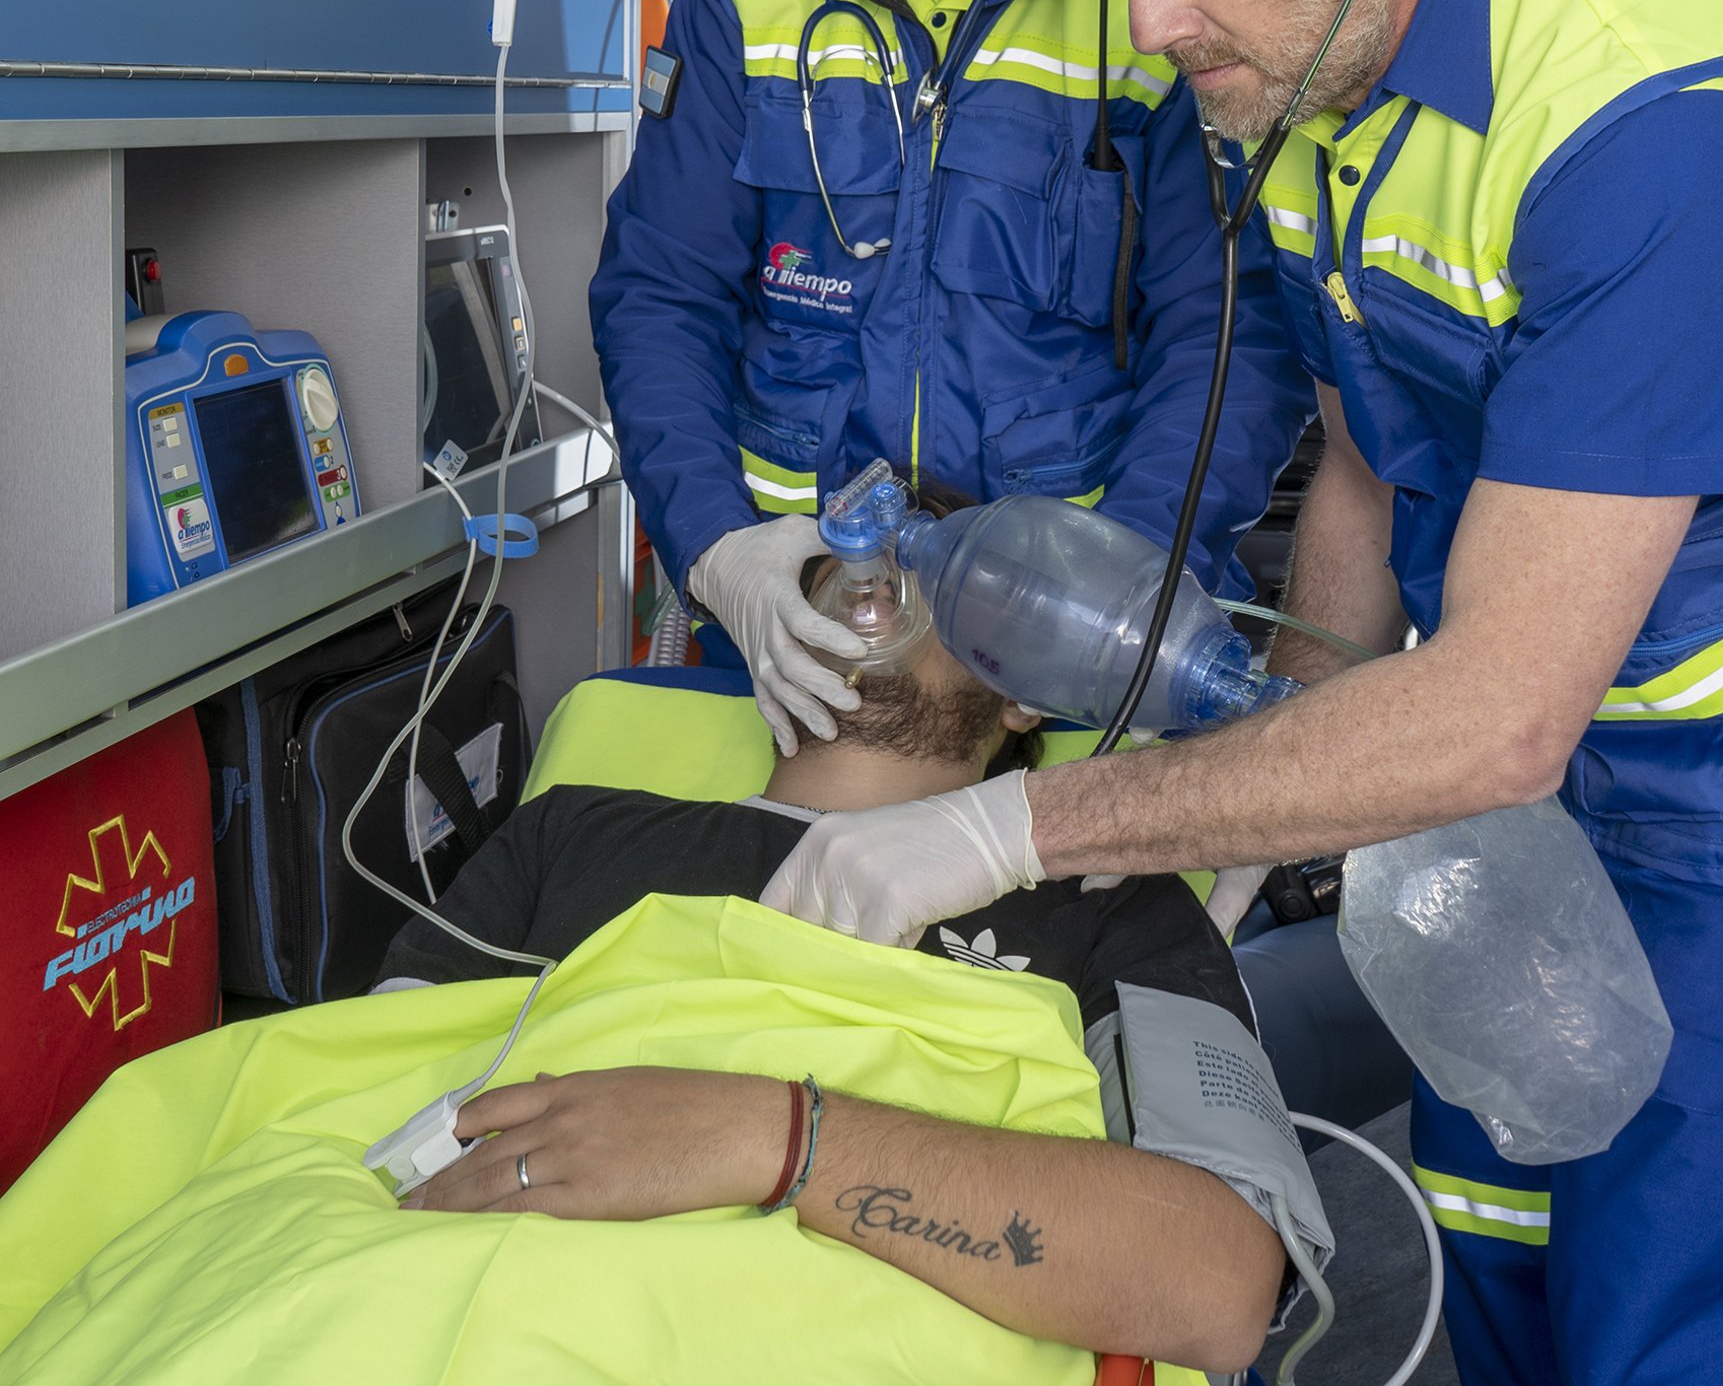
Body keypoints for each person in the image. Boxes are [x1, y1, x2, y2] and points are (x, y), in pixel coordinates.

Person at [760, 0, 1723, 1386]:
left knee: (1661, 1325)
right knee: (1485, 1266)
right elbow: (1374, 462)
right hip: (1504, 832)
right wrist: (1261, 802)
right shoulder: (1314, 97)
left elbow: (1500, 708)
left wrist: (1010, 830)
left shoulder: (1670, 120)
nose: (1152, 16)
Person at [590, 0, 1308, 756]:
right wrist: (717, 548)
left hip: (1073, 643)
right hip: (800, 627)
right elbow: (659, 291)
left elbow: (1225, 332)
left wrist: (1112, 597)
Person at [380, 520, 1315, 1378]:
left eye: (947, 565)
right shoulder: (575, 828)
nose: (881, 566)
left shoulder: (1108, 892)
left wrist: (779, 1138)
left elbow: (1218, 1283)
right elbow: (351, 1100)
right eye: (838, 554)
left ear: (1026, 690)